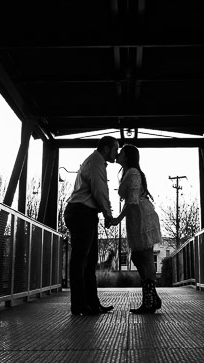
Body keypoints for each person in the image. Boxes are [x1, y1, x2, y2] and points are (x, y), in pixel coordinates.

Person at [63, 135, 118, 315]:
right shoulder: (96, 162)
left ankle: (91, 304)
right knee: (80, 261)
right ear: (106, 148)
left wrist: (104, 213)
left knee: (89, 260)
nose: (116, 154)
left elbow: (99, 190)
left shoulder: (95, 161)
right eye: (115, 149)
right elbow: (99, 190)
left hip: (84, 212)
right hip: (82, 213)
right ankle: (79, 304)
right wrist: (108, 214)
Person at [110, 144, 162, 314]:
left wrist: (117, 218)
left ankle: (150, 299)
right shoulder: (128, 172)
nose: (118, 154)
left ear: (127, 156)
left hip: (141, 217)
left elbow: (132, 201)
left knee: (145, 256)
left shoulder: (132, 173)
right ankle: (151, 297)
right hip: (136, 217)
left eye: (121, 152)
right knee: (139, 257)